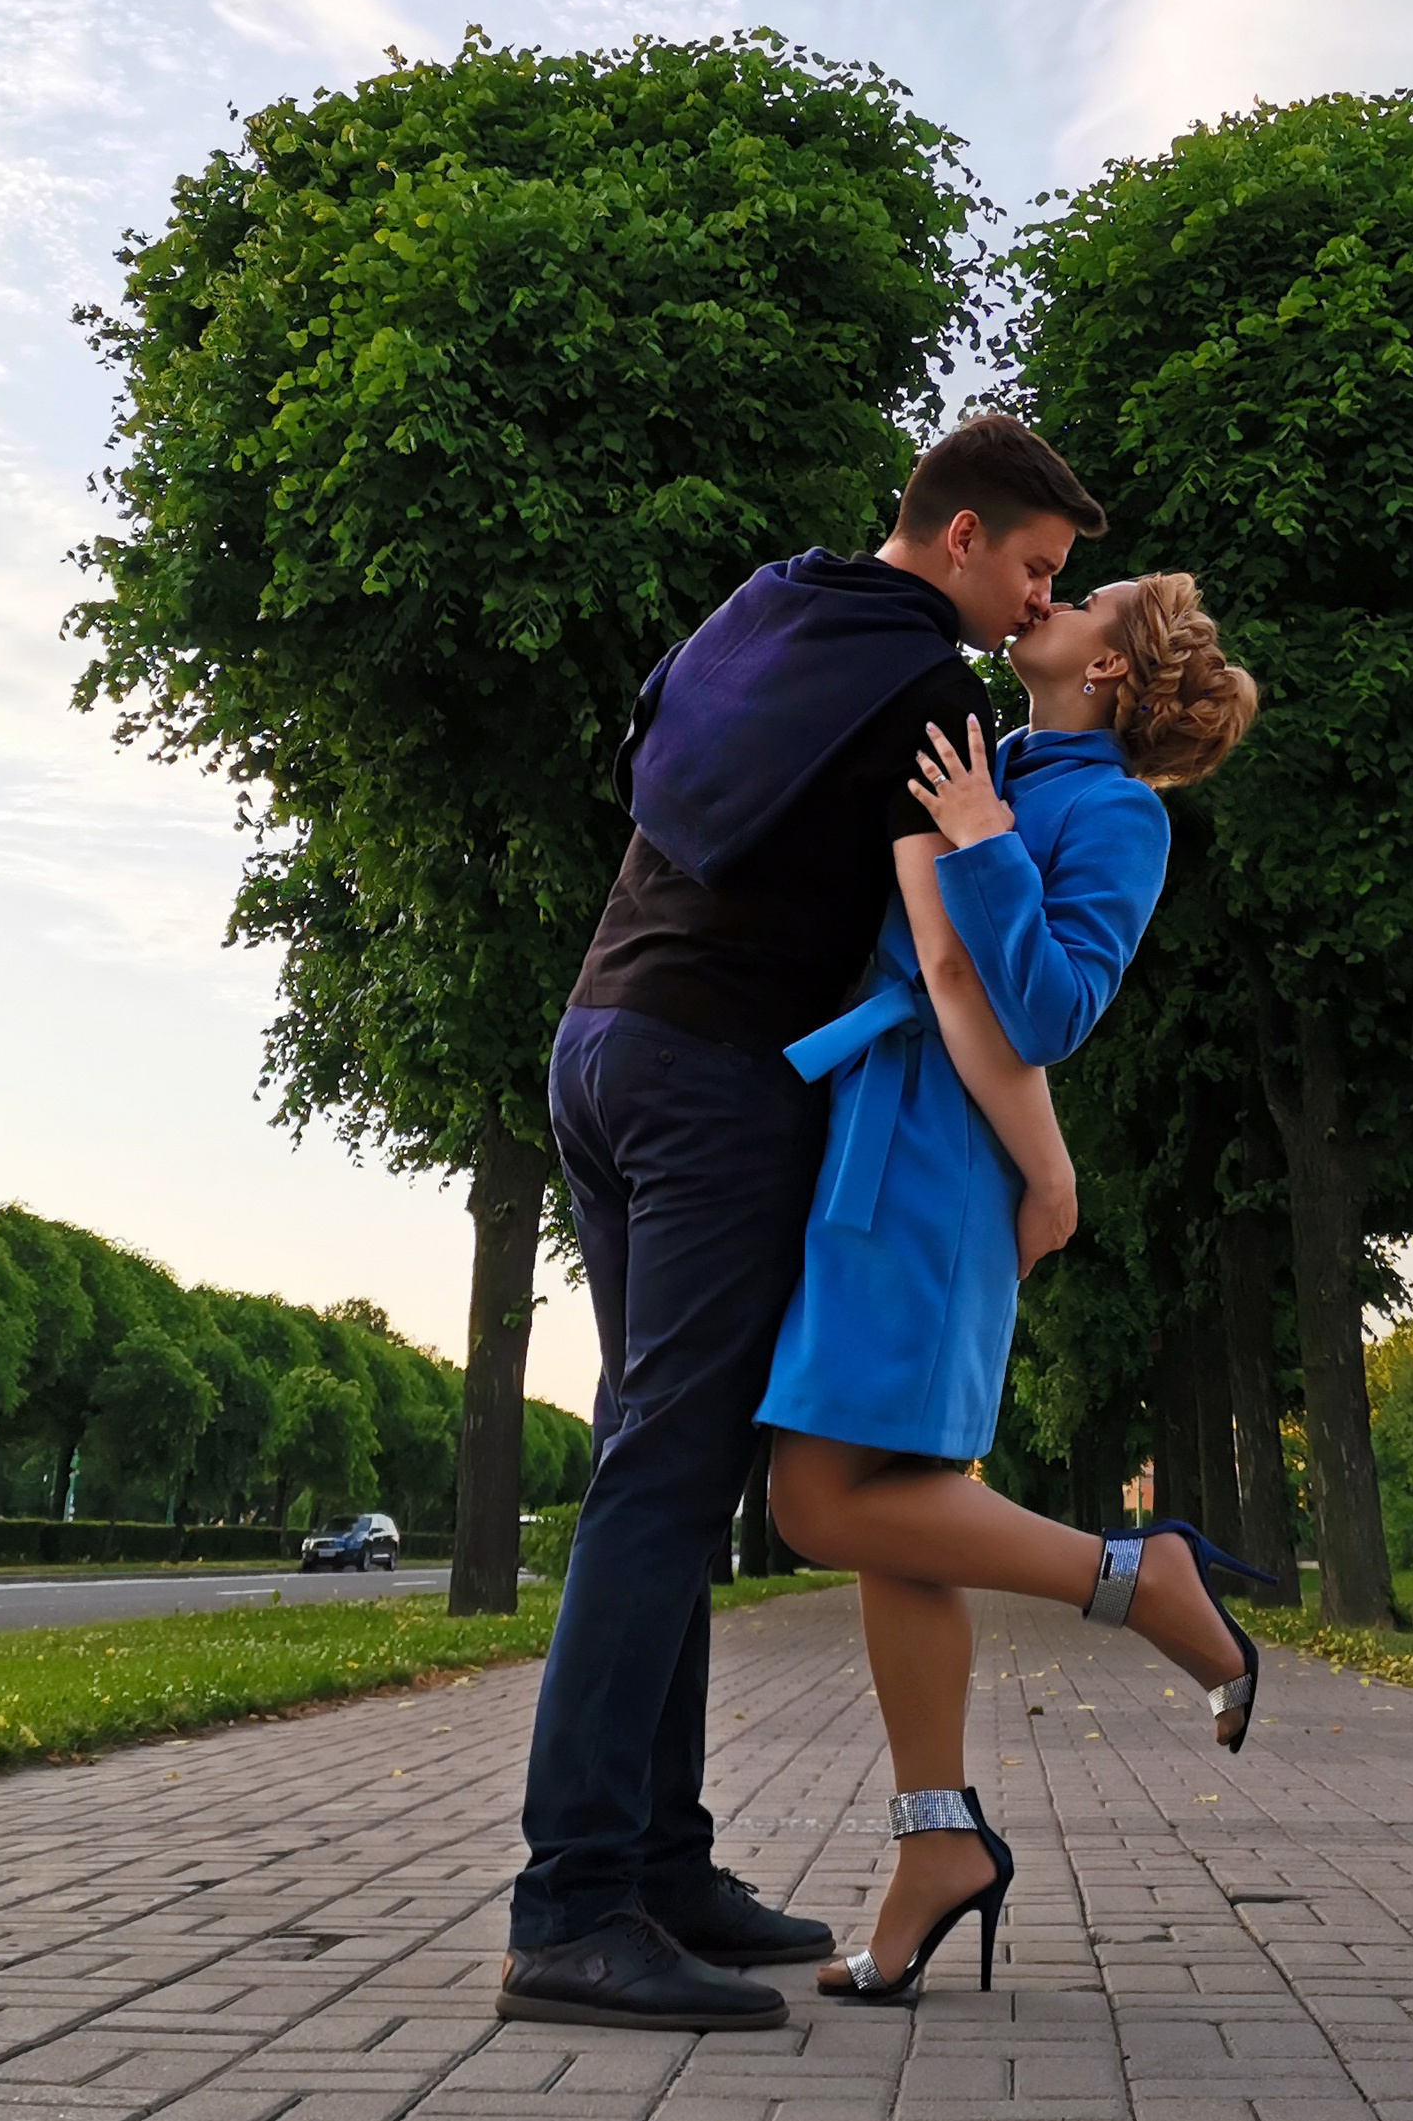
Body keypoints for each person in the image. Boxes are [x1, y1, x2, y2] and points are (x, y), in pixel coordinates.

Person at [499, 414, 1107, 2035]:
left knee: (664, 1464)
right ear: (964, 531)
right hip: (713, 1080)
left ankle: (663, 1864)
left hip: (599, 1042)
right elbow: (959, 956)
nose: (1033, 601)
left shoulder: (771, 602)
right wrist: (1046, 1168)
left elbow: (654, 760)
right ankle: (571, 1903)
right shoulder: (928, 694)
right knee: (667, 1473)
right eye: (1035, 568)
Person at [759, 567, 1259, 2004]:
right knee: (895, 1517)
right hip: (875, 1123)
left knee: (813, 1496)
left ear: (1112, 668)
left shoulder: (1118, 813)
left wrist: (978, 842)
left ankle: (1135, 1575)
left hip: (928, 1159)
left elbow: (1046, 1006)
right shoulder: (986, 736)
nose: (1050, 597)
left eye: (1085, 595)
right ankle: (935, 1842)